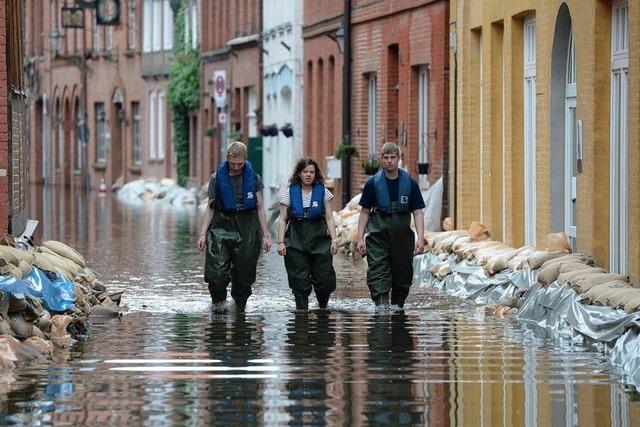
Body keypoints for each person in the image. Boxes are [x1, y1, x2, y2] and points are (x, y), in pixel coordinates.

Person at [197, 141, 271, 312]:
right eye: (233, 163)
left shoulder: (254, 178)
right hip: (221, 225)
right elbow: (210, 207)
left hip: (248, 227)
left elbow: (260, 206)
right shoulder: (216, 178)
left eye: (240, 163)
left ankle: (240, 306)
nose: (237, 167)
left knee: (244, 272)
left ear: (245, 159)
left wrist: (266, 234)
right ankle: (218, 303)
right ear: (227, 158)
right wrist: (202, 234)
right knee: (217, 272)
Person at [356, 142, 425, 308]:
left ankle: (397, 307)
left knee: (403, 273)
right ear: (381, 159)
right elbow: (365, 211)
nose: (389, 161)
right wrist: (360, 238)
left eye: (392, 157)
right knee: (378, 270)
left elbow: (417, 212)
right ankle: (382, 306)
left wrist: (421, 238)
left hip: (402, 237)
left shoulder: (410, 184)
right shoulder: (373, 184)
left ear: (398, 158)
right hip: (378, 235)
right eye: (385, 158)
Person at [277, 158, 338, 310]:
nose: (308, 175)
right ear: (299, 173)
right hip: (296, 238)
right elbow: (283, 220)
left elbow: (330, 218)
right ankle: (301, 312)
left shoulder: (323, 192)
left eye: (312, 172)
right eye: (305, 172)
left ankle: (323, 306)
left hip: (320, 240)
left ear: (315, 173)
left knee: (324, 278)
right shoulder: (289, 193)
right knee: (299, 280)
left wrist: (334, 240)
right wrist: (280, 242)